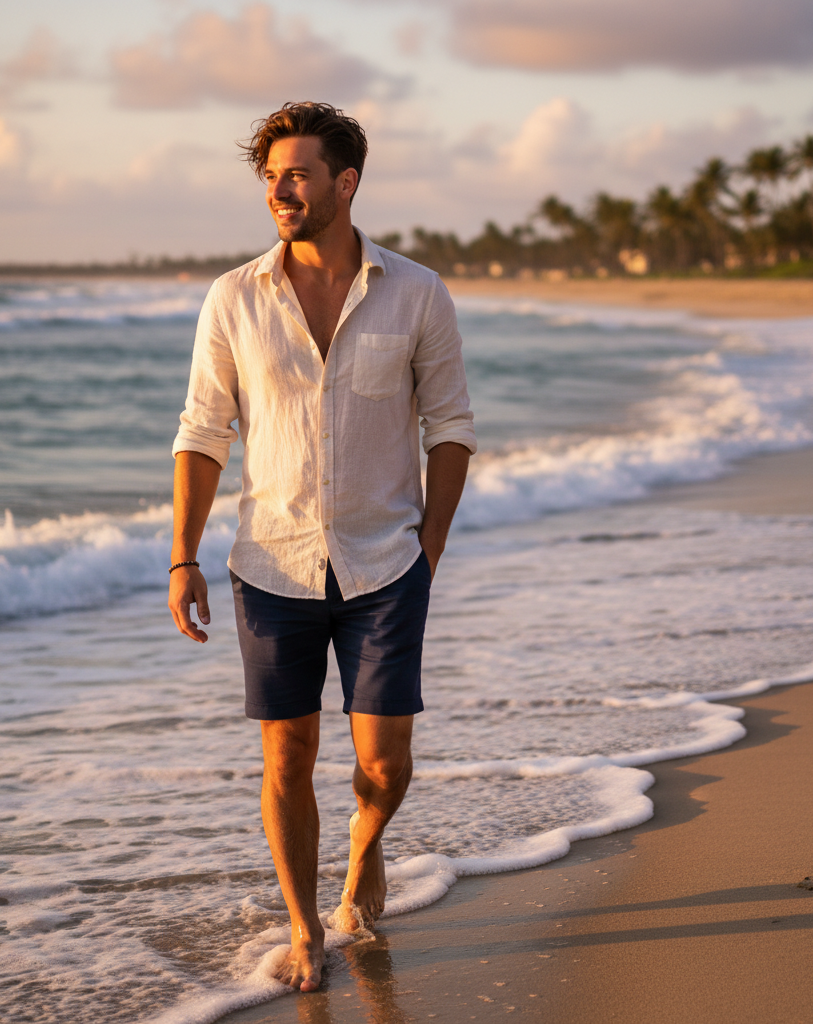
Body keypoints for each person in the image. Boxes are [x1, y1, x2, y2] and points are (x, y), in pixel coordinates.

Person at [168, 101, 476, 993]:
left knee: (385, 766)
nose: (280, 190)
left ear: (346, 183)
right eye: (270, 177)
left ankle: (365, 853)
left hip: (387, 563)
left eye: (297, 174)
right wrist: (183, 554)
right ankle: (307, 926)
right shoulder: (233, 297)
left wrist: (430, 547)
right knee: (287, 756)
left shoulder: (417, 292)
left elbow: (450, 429)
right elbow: (202, 432)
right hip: (269, 563)